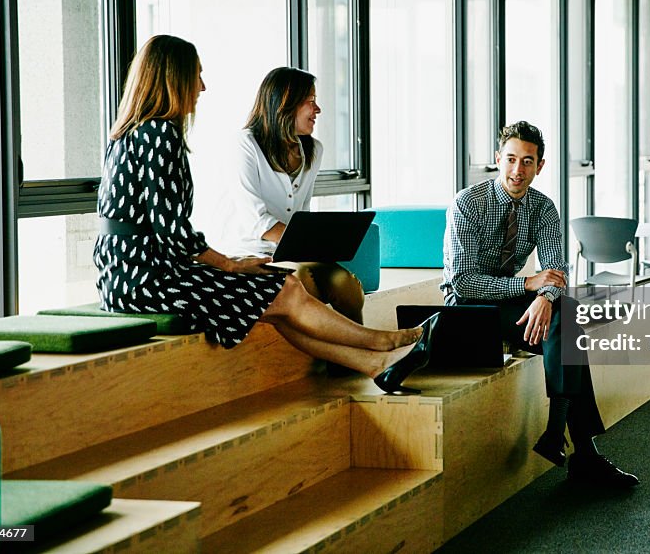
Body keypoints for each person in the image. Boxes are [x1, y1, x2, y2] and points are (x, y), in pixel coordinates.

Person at [93, 35, 433, 394]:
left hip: (128, 274)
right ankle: (382, 343)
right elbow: (173, 232)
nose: (202, 87)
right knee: (284, 288)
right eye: (197, 75)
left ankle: (377, 365)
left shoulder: (132, 132)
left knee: (278, 300)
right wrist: (230, 265)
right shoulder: (160, 133)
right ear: (173, 78)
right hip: (147, 279)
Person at [441, 121, 638, 488]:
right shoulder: (467, 204)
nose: (518, 170)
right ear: (498, 159)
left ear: (540, 166)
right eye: (511, 160)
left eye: (527, 162)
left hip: (511, 305)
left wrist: (545, 298)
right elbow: (463, 281)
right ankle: (581, 451)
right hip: (467, 309)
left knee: (568, 316)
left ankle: (560, 438)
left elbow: (556, 269)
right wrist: (529, 284)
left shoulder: (543, 208)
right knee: (569, 330)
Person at [218, 67, 365, 329]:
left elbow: (302, 212)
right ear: (285, 104)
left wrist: (316, 245)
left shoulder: (313, 150)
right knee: (302, 278)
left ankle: (348, 361)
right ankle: (337, 354)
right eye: (310, 101)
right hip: (252, 255)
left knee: (346, 285)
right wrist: (308, 245)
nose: (317, 109)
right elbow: (255, 220)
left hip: (293, 253)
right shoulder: (245, 145)